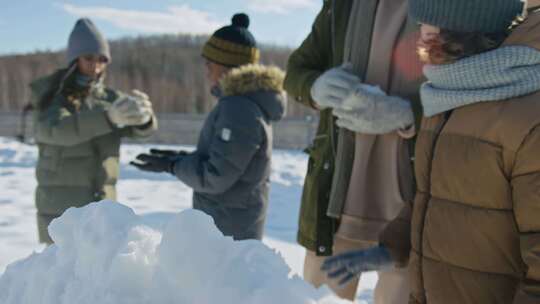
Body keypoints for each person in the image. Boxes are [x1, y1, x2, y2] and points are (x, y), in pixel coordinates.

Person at [322, 0, 540, 303]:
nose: (420, 32)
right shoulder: (446, 98)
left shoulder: (528, 118)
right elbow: (435, 196)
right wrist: (393, 247)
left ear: (462, 24)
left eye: (428, 22)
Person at [283, 0, 424, 301]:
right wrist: (314, 87)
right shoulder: (341, 5)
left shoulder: (451, 8)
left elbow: (470, 95)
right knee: (318, 300)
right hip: (337, 202)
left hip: (410, 205)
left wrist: (409, 113)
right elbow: (296, 70)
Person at [132, 13, 287, 241]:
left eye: (209, 63)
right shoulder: (244, 104)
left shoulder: (239, 109)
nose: (206, 71)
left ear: (226, 67)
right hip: (229, 228)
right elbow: (223, 161)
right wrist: (178, 158)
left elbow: (215, 177)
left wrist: (174, 165)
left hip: (227, 235)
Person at [31, 18, 158, 244]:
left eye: (102, 60)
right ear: (74, 59)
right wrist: (109, 118)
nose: (96, 66)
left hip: (102, 207)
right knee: (62, 276)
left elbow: (141, 132)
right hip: (62, 211)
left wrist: (144, 119)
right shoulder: (52, 97)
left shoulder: (110, 98)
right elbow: (55, 131)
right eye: (88, 58)